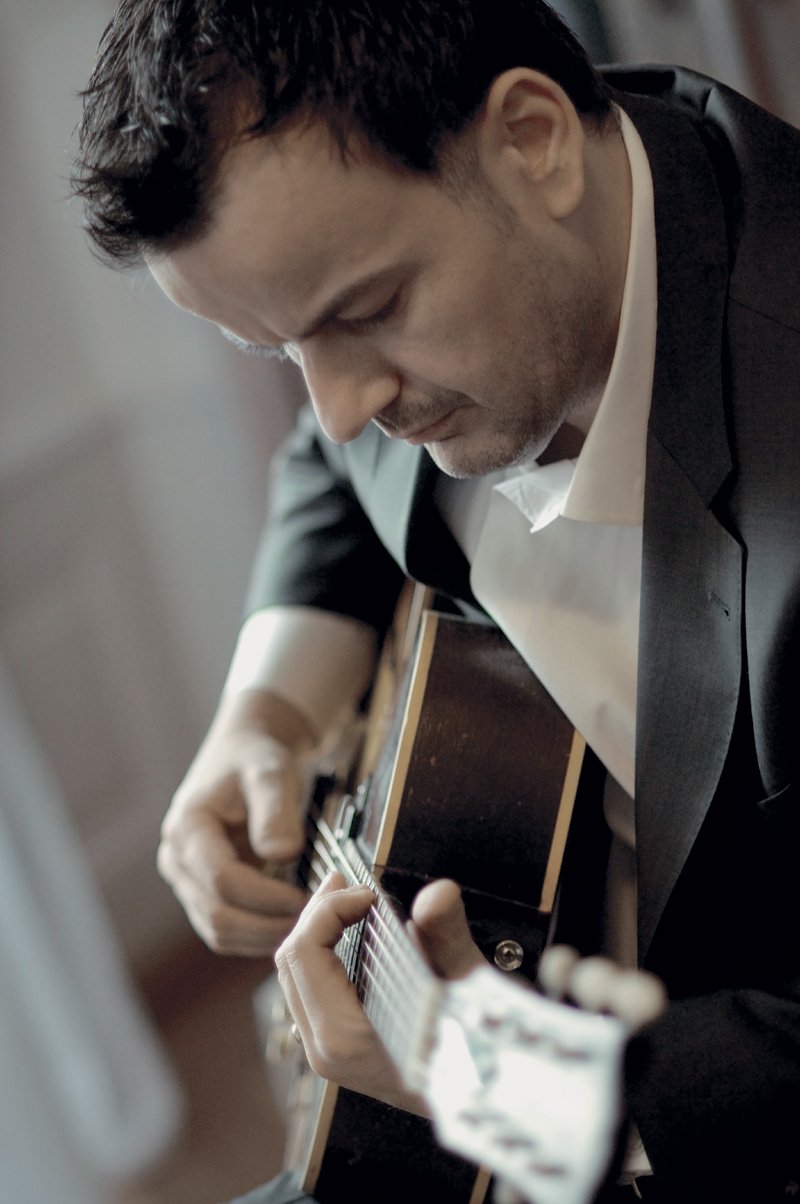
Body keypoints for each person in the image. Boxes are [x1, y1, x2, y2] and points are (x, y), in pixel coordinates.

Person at [71, 2, 800, 1201]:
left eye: (362, 312)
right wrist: (265, 714)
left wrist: (513, 1088)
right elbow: (327, 466)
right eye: (278, 349)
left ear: (533, 141)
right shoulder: (418, 302)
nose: (341, 408)